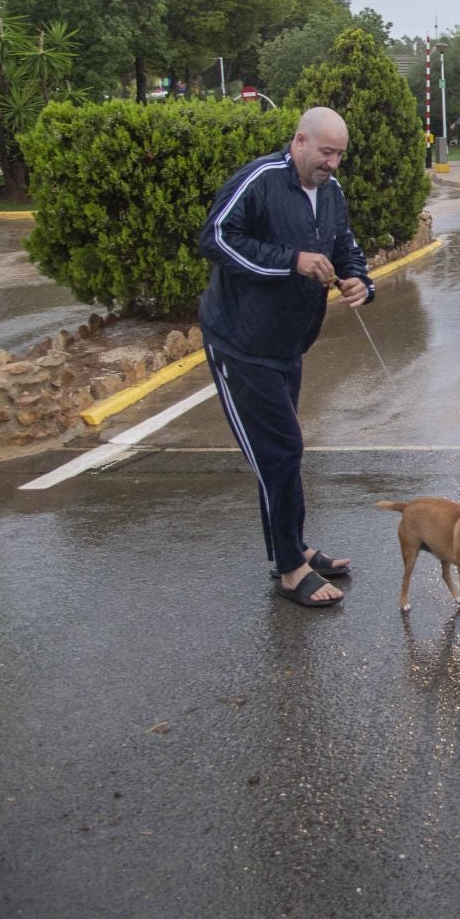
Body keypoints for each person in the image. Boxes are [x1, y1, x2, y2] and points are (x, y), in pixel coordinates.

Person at [198, 106, 373, 609]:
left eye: (339, 155)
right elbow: (216, 239)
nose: (332, 163)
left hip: (287, 344)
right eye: (325, 152)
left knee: (282, 454)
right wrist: (291, 261)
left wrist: (360, 280)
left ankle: (291, 547)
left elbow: (344, 245)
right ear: (299, 141)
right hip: (240, 343)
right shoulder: (260, 180)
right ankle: (292, 569)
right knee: (280, 452)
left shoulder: (332, 192)